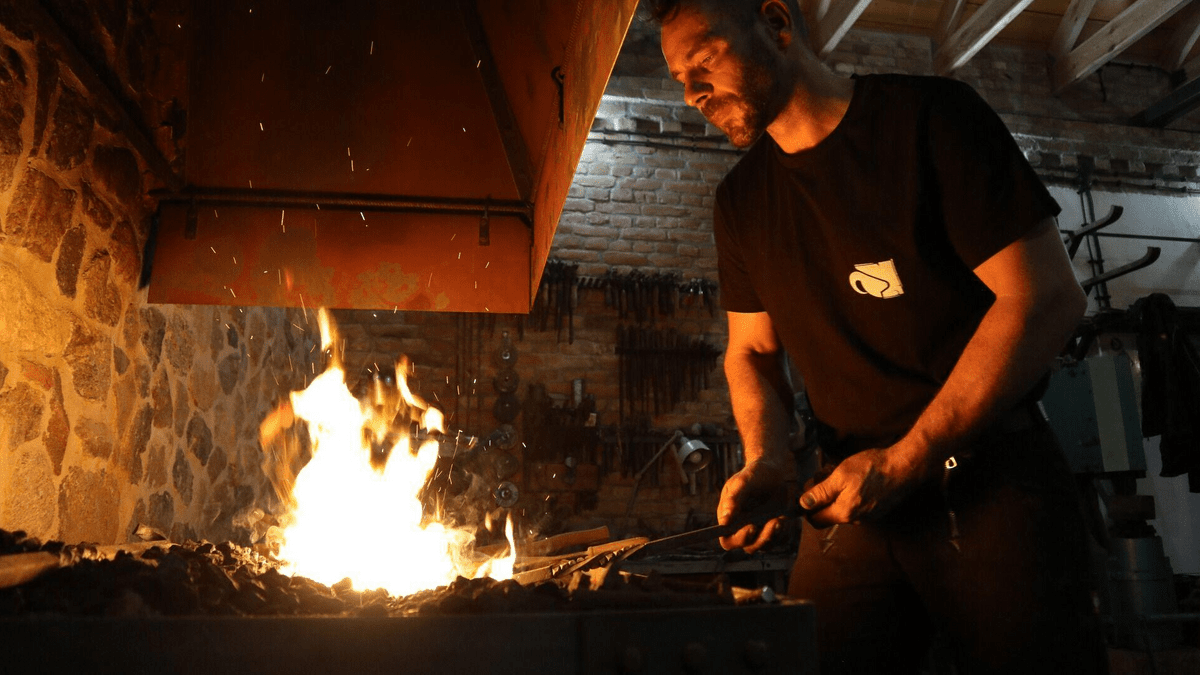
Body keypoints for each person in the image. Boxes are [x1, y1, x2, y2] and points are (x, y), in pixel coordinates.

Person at [644, 1, 1108, 673]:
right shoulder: (741, 202)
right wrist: (769, 460)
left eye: (705, 60)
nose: (692, 93)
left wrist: (906, 457)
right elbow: (752, 351)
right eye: (679, 78)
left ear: (776, 25)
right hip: (851, 500)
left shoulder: (931, 120)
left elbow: (1045, 297)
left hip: (989, 485)